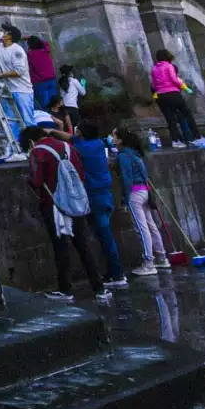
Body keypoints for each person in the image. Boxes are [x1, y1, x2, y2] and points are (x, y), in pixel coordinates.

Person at [20, 124, 111, 302]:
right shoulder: (69, 147)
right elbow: (80, 174)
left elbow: (37, 180)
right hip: (76, 203)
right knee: (83, 245)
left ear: (30, 141)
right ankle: (99, 287)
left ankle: (65, 289)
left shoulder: (38, 152)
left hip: (54, 205)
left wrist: (29, 180)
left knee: (60, 247)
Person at [73, 120, 128, 288]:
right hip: (106, 195)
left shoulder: (82, 148)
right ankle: (113, 272)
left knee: (105, 237)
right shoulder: (97, 144)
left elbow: (71, 141)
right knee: (104, 236)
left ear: (81, 134)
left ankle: (117, 274)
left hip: (94, 197)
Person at [115, 127, 170, 275]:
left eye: (114, 136)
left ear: (120, 140)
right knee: (150, 225)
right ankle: (162, 257)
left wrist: (124, 198)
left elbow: (127, 179)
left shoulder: (123, 156)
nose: (111, 139)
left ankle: (149, 262)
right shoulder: (135, 154)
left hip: (134, 193)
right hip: (144, 191)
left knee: (142, 228)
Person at [150, 50, 202, 148]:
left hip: (161, 95)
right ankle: (197, 137)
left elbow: (154, 85)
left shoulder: (154, 69)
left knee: (170, 119)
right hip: (173, 93)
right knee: (187, 114)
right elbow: (174, 79)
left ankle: (175, 141)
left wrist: (160, 90)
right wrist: (183, 86)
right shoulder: (169, 66)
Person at [0, 25, 36, 129]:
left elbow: (19, 71)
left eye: (5, 32)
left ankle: (34, 143)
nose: (3, 33)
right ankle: (16, 144)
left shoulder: (17, 50)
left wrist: (1, 74)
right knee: (11, 122)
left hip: (22, 90)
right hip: (8, 90)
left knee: (28, 121)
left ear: (10, 36)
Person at [28, 36, 57, 111]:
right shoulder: (46, 50)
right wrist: (32, 36)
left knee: (45, 106)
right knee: (54, 103)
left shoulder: (30, 55)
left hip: (40, 83)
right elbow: (45, 42)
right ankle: (58, 119)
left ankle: (49, 119)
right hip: (51, 80)